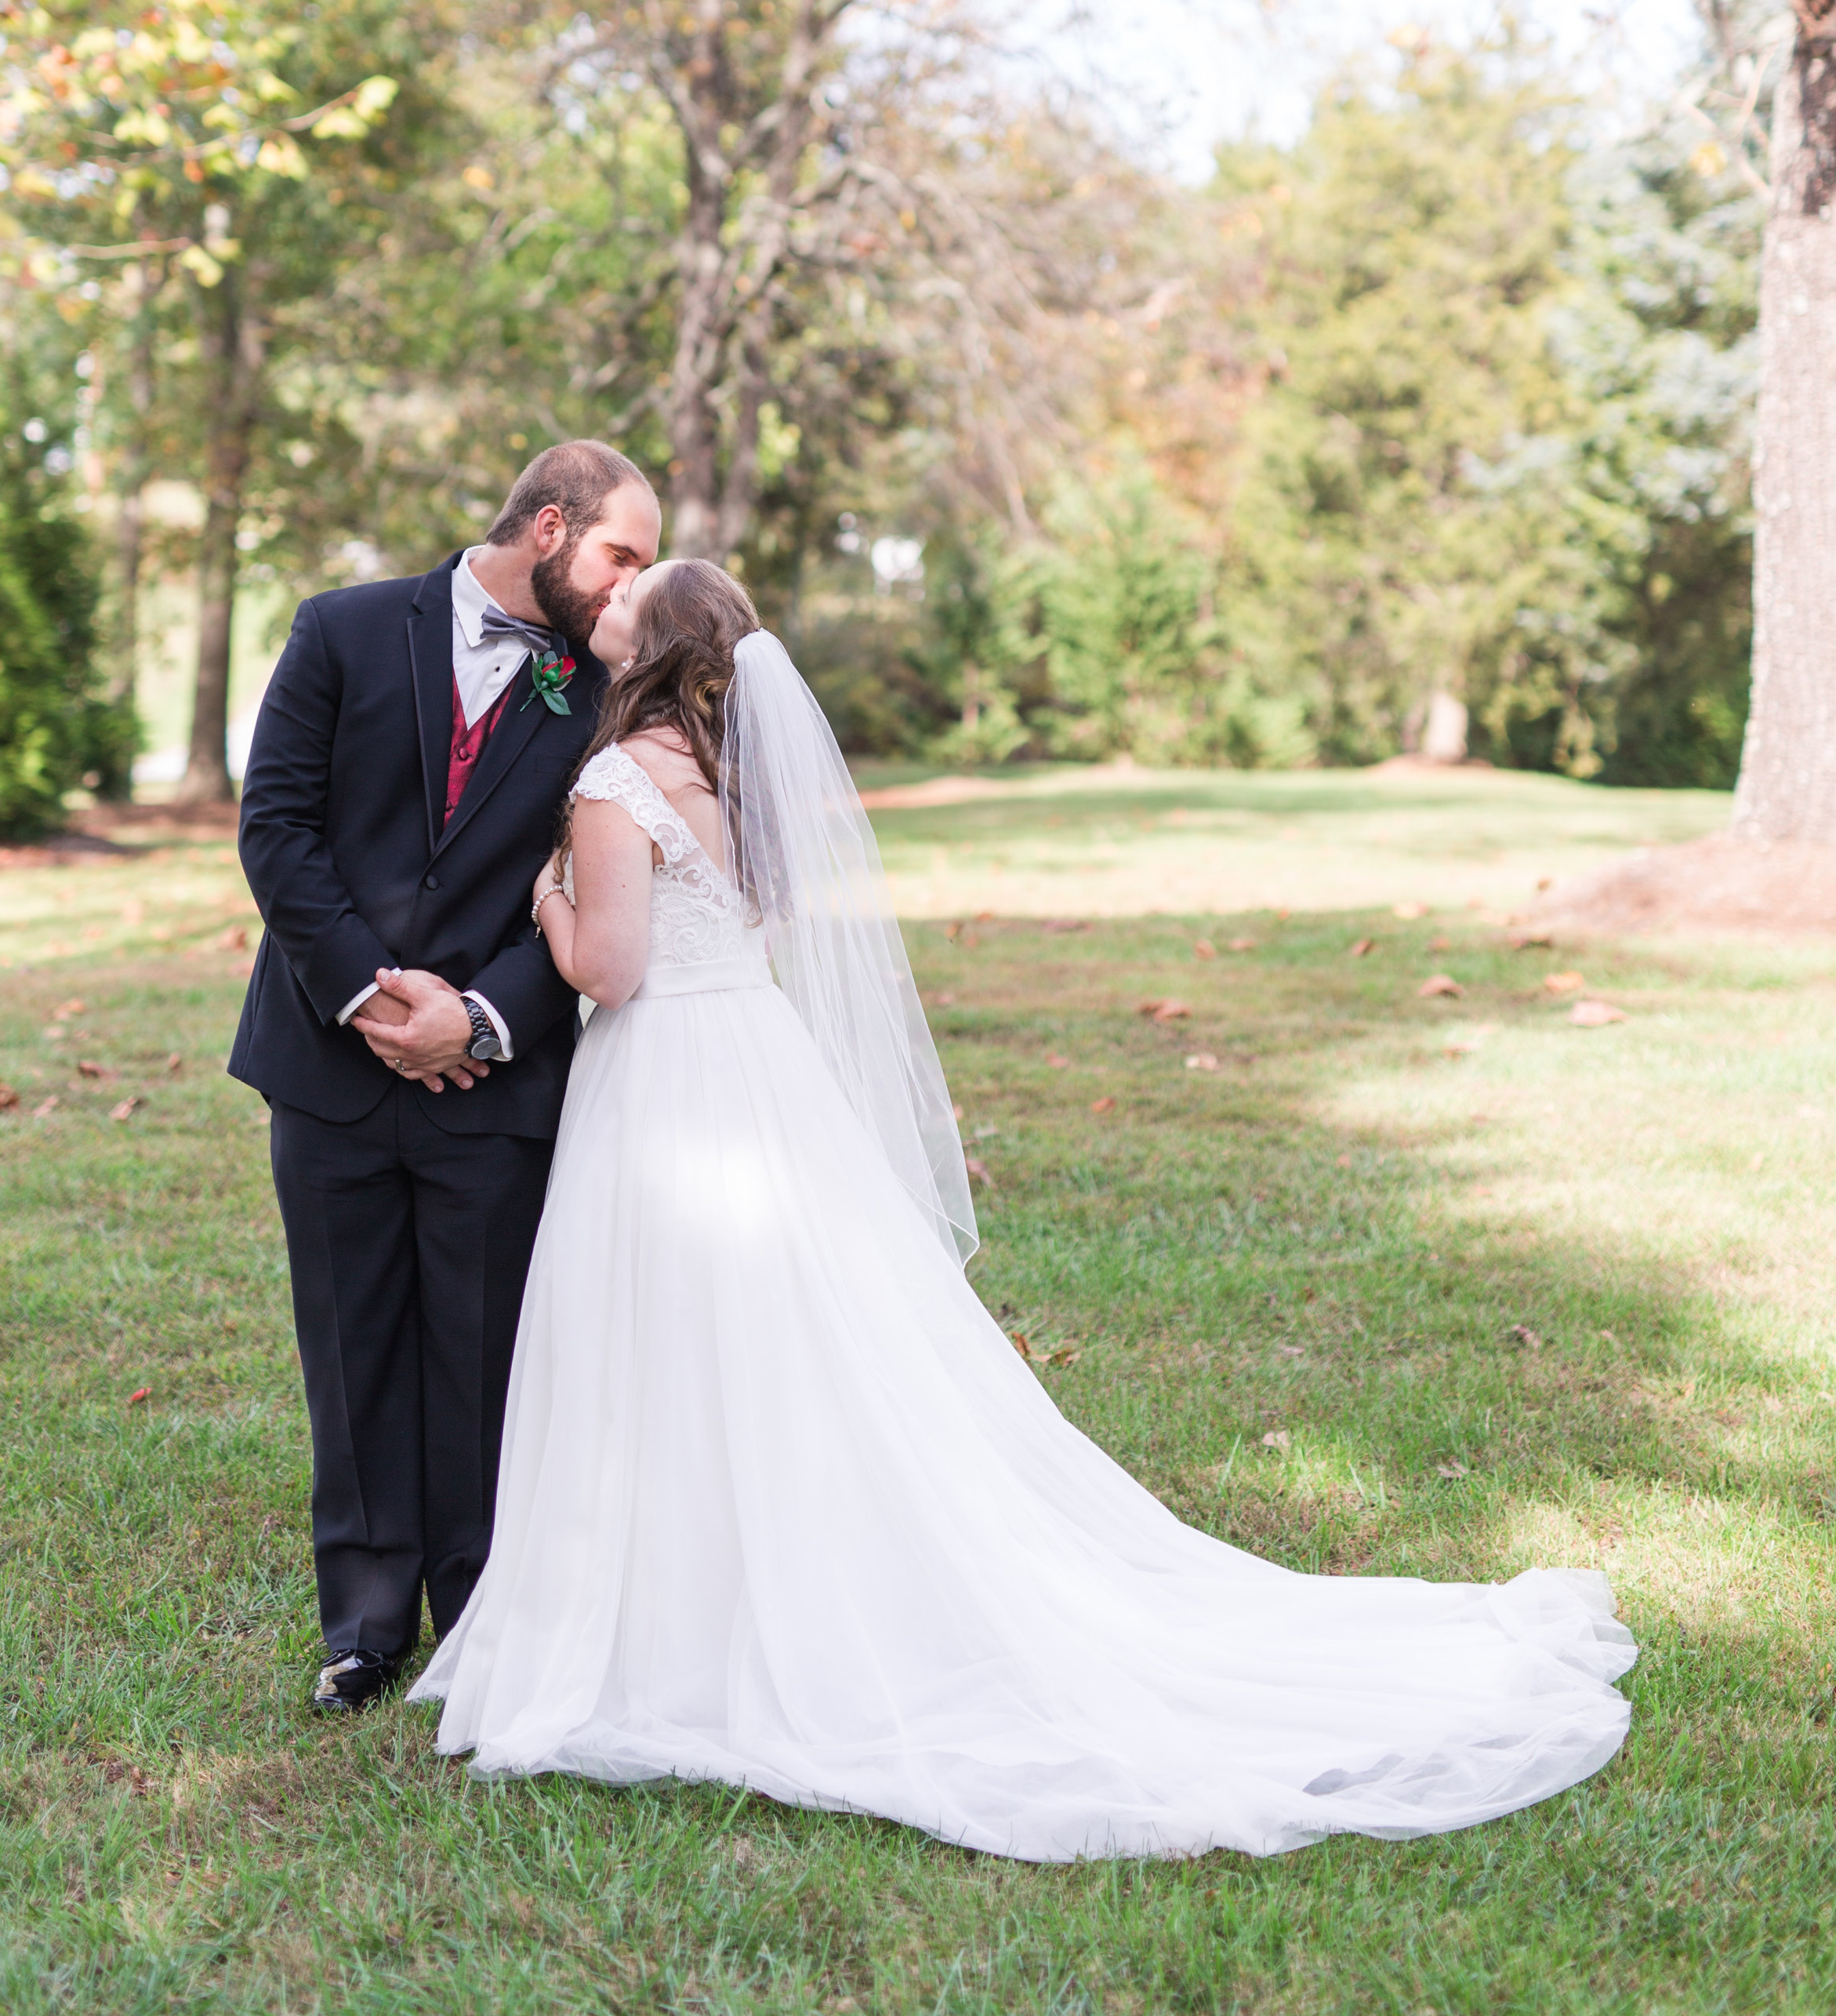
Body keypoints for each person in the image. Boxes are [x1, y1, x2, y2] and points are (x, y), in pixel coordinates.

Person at [412, 560, 1637, 1863]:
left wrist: (547, 897)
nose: (605, 601)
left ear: (651, 642)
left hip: (664, 1084)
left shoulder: (612, 783)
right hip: (763, 1073)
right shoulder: (742, 777)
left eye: (627, 596)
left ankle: (675, 1626)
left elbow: (611, 964)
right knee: (796, 1344)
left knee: (672, 1342)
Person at [230, 440, 662, 1715]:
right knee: (352, 1344)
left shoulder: (604, 686)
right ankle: (364, 1624)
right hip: (328, 1055)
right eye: (618, 553)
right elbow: (278, 826)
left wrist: (475, 1016)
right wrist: (369, 992)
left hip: (495, 1074)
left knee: (483, 1353)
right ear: (546, 528)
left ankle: (481, 1613)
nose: (630, 581)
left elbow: (599, 888)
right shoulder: (344, 629)